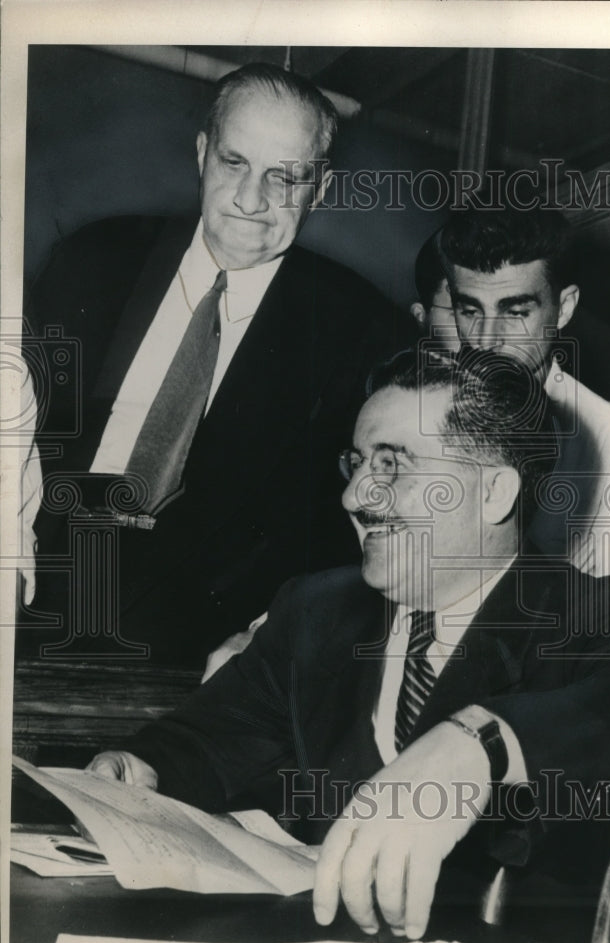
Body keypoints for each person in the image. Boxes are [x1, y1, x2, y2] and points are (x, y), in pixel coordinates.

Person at [88, 347, 610, 943]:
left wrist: (480, 743)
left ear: (495, 493)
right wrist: (141, 767)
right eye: (358, 463)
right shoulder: (316, 611)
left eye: (392, 466)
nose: (355, 497)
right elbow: (207, 741)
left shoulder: (599, 615)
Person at [21, 62, 414, 666]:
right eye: (235, 163)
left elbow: (357, 518)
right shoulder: (93, 258)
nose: (251, 200)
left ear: (323, 187)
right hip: (28, 596)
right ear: (204, 153)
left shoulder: (362, 327)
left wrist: (271, 634)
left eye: (285, 176)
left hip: (211, 646)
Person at [412, 210, 610, 591]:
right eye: (469, 311)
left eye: (515, 313)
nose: (486, 340)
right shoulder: (417, 414)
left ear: (563, 309)